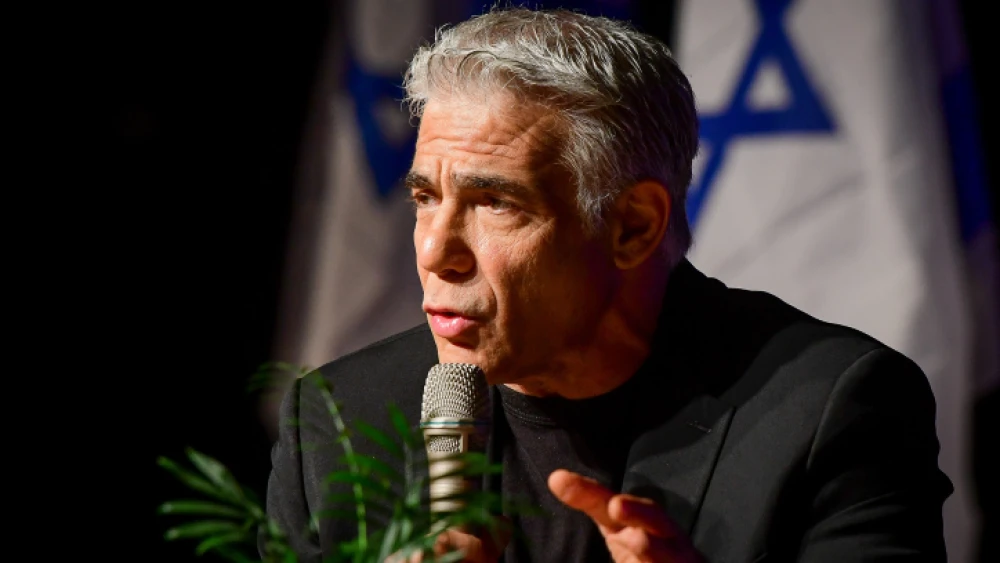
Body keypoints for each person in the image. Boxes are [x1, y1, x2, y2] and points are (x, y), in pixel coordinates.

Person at [262, 7, 953, 562]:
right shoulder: (339, 420)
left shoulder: (832, 408)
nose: (437, 251)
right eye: (423, 197)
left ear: (632, 226)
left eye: (495, 203)